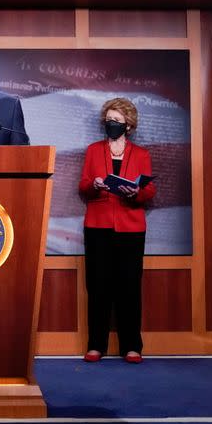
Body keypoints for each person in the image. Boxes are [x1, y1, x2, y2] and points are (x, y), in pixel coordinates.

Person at [78, 98, 156, 364]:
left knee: (129, 288)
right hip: (98, 226)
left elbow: (149, 190)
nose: (111, 125)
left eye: (116, 121)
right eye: (108, 120)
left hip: (131, 228)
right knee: (98, 286)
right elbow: (83, 186)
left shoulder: (142, 154)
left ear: (128, 126)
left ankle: (132, 346)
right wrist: (95, 184)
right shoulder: (92, 150)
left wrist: (136, 192)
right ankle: (95, 345)